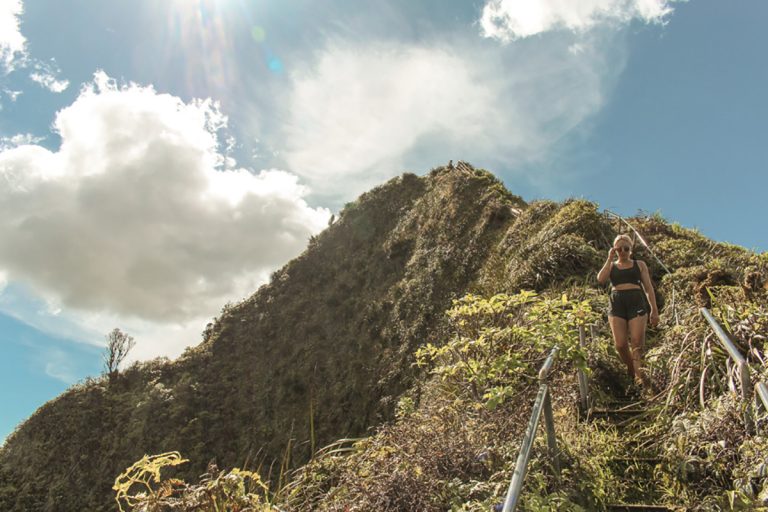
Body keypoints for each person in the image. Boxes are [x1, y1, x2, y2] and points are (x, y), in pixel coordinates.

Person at [597, 234, 659, 386]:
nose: (623, 251)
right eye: (619, 248)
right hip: (616, 302)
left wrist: (654, 310)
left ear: (631, 250)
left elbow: (648, 288)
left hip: (636, 301)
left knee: (637, 343)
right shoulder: (611, 265)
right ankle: (632, 369)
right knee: (620, 344)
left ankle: (640, 380)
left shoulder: (640, 264)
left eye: (626, 248)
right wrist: (609, 259)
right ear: (615, 250)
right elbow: (601, 279)